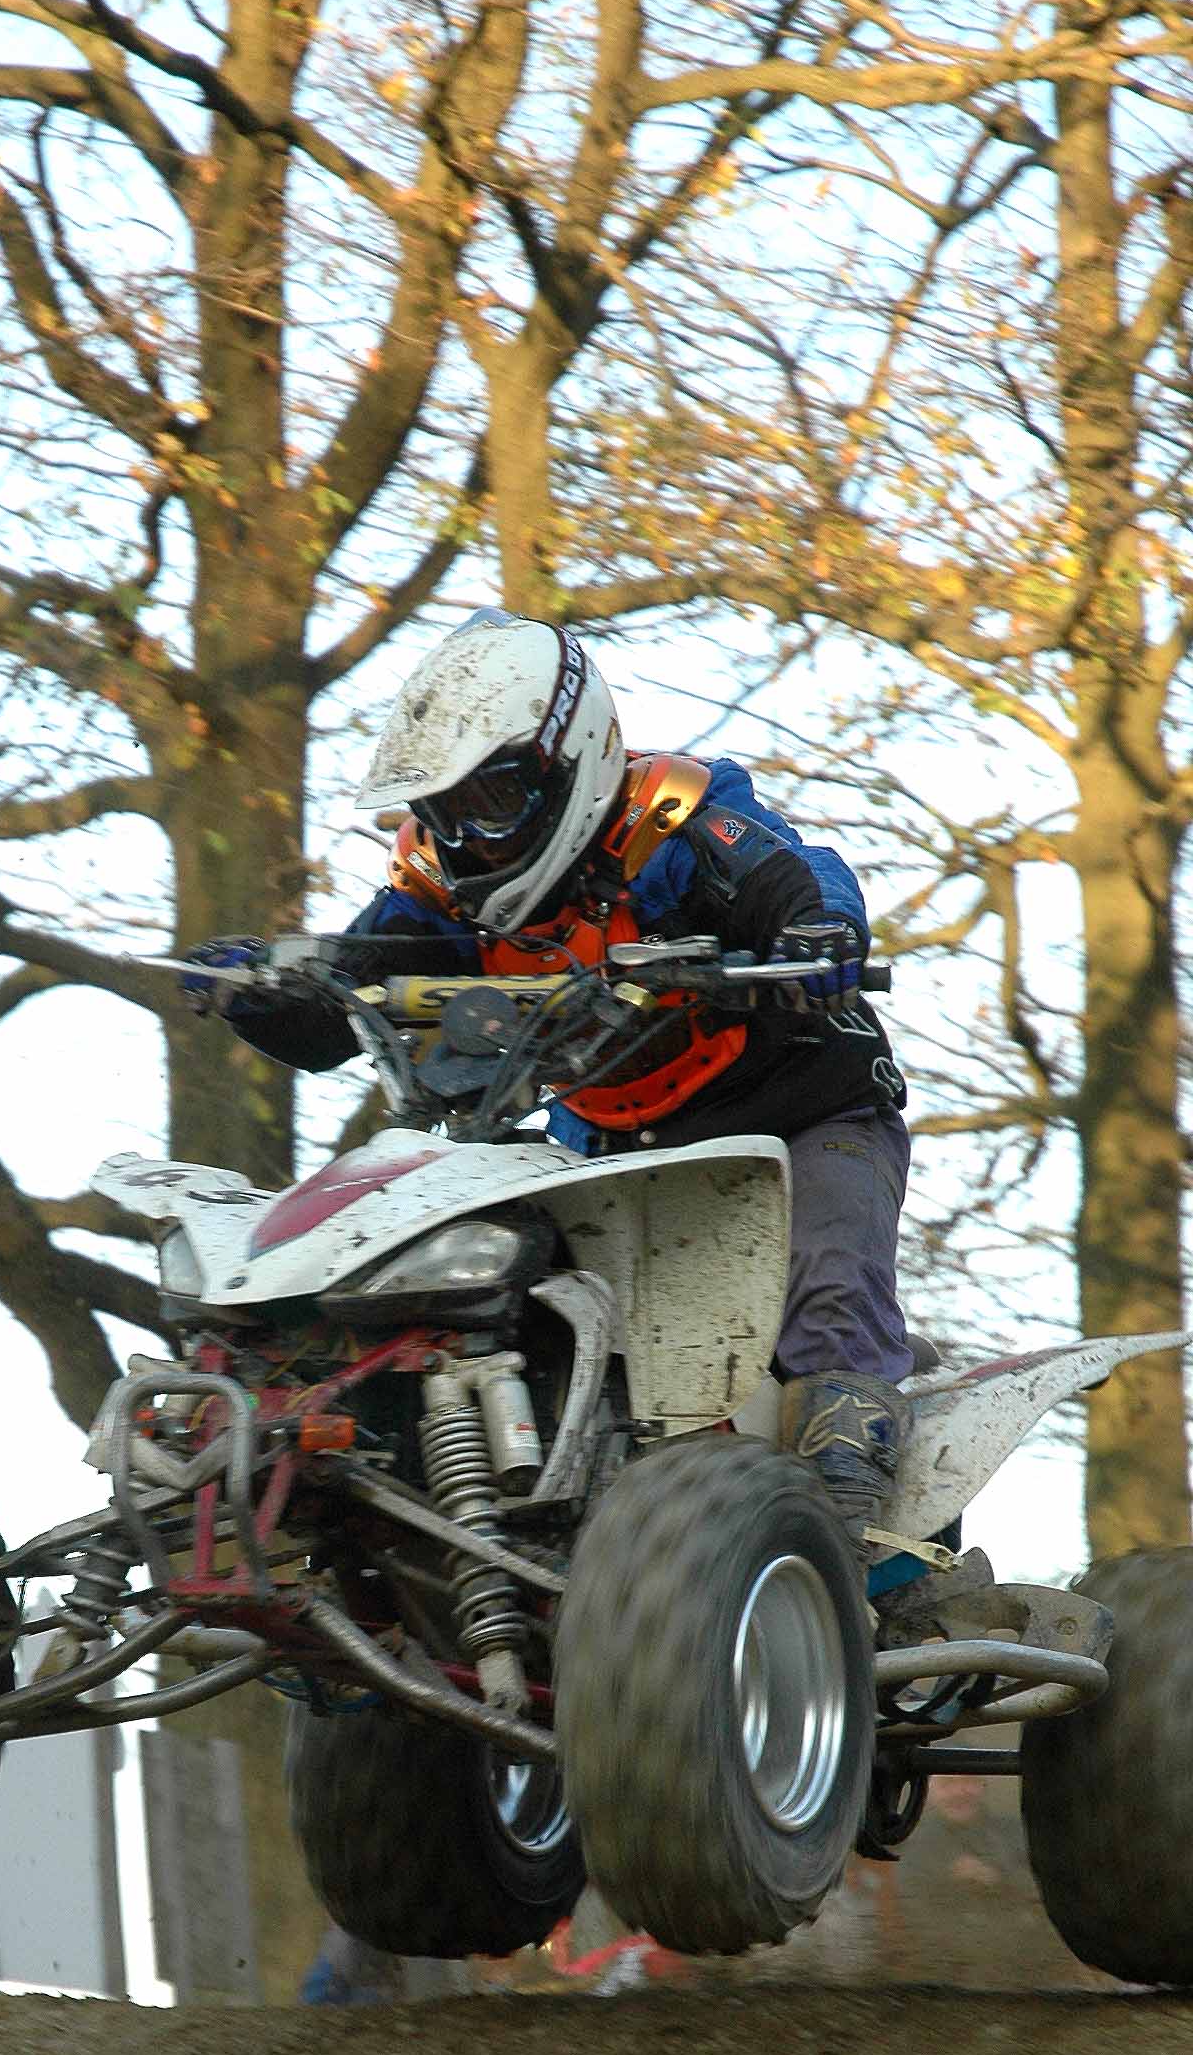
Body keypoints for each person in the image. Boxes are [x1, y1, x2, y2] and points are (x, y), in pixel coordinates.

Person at [185, 609, 916, 1552]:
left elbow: (795, 873)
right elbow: (352, 993)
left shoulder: (674, 820)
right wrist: (266, 990)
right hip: (610, 1149)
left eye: (493, 802)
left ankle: (854, 1530)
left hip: (799, 1114)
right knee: (497, 1282)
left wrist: (818, 930)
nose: (472, 837)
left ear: (572, 761)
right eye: (447, 812)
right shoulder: (435, 886)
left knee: (827, 1290)